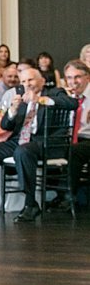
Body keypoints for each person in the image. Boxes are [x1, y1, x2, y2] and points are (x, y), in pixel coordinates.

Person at [0, 66, 76, 221]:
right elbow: (5, 126)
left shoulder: (54, 92)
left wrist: (41, 100)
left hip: (45, 142)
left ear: (42, 81)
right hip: (19, 141)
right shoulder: (21, 98)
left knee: (22, 152)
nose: (27, 84)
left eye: (30, 79)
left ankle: (31, 204)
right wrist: (13, 111)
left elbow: (72, 103)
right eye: (23, 81)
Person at [60, 60, 89, 212]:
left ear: (87, 78)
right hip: (70, 138)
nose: (73, 82)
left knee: (74, 151)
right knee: (53, 147)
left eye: (77, 77)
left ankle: (70, 195)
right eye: (69, 78)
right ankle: (59, 193)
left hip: (88, 138)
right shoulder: (65, 97)